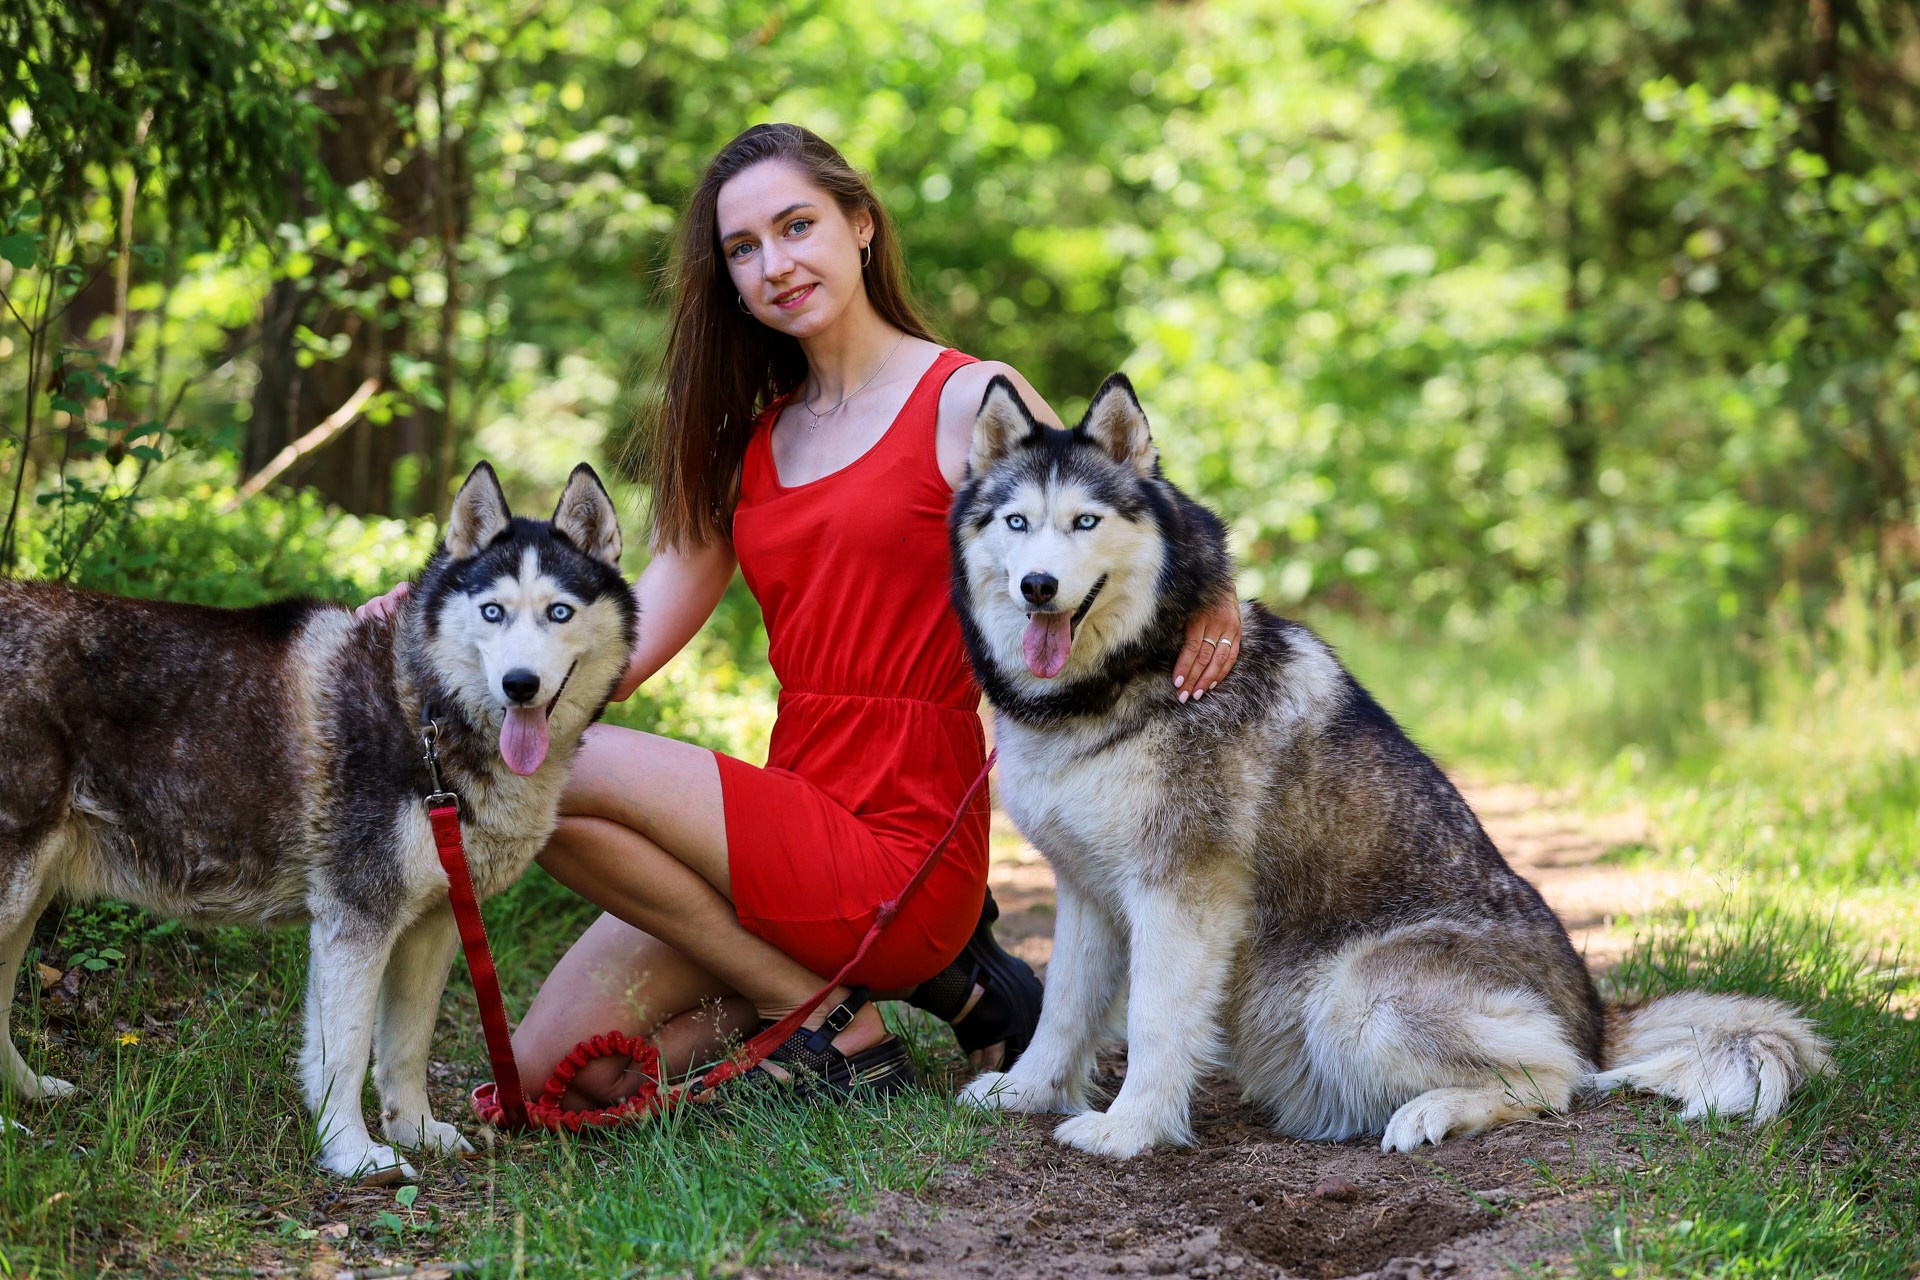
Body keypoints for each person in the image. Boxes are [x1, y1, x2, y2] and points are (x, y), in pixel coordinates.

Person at [362, 123, 1242, 1102]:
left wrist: (1216, 593)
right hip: (787, 820)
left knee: (555, 758)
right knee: (551, 1077)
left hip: (906, 838)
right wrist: (438, 646)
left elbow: (1125, 516)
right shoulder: (750, 445)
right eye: (744, 248)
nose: (775, 264)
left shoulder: (964, 397)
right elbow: (620, 637)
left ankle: (845, 1015)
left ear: (860, 224)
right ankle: (910, 988)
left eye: (797, 226)